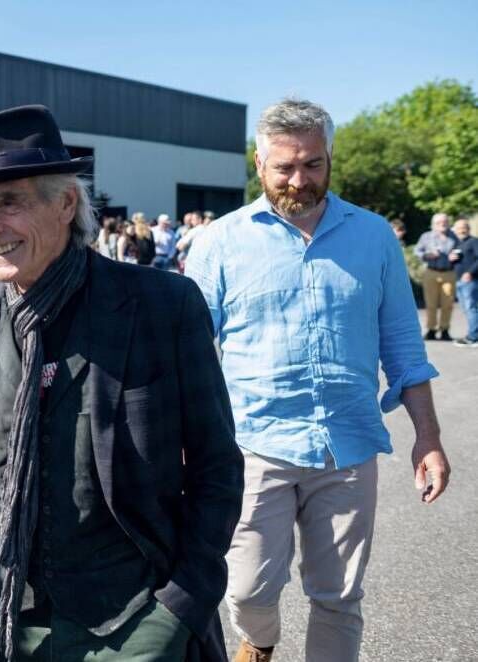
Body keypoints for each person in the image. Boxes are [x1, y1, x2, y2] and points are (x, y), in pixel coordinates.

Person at [0, 104, 243, 662]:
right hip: (2, 616)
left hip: (133, 618)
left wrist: (180, 605)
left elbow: (216, 467)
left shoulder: (161, 307)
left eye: (8, 202)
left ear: (66, 203)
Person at [186, 98, 451, 662]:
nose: (299, 180)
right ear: (259, 164)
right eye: (284, 166)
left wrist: (427, 437)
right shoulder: (220, 242)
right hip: (254, 445)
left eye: (312, 164)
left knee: (338, 597)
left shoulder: (375, 237)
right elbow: (188, 352)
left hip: (348, 447)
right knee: (246, 590)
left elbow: (404, 347)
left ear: (330, 158)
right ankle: (259, 641)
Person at [414, 212, 459, 340]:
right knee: (430, 303)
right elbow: (417, 250)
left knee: (448, 304)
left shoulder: (454, 236)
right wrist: (426, 255)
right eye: (439, 222)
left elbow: (461, 251)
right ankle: (431, 329)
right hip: (431, 272)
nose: (443, 224)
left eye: (445, 222)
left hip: (449, 272)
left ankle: (445, 330)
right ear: (433, 224)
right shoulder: (426, 236)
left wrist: (456, 256)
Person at [451, 216, 478, 347]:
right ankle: (473, 335)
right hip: (460, 281)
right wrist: (451, 258)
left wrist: (470, 272)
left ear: (468, 229)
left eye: (464, 227)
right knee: (467, 309)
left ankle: (473, 337)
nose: (461, 230)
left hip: (471, 281)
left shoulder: (474, 241)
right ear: (455, 230)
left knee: (471, 308)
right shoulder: (458, 244)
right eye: (459, 228)